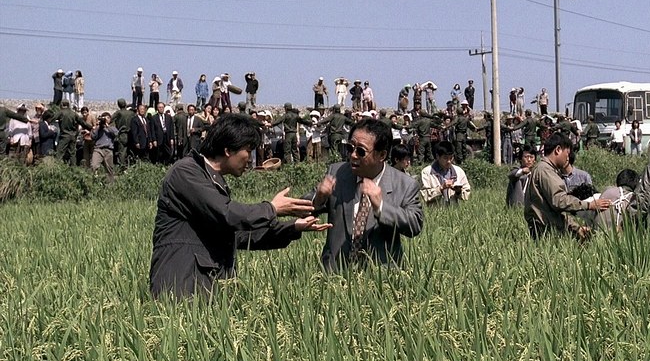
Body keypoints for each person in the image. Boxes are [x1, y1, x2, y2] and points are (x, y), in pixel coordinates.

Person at [149, 113, 328, 299]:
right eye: (248, 150)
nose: (250, 158)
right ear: (228, 150)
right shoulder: (186, 172)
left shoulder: (212, 180)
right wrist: (272, 209)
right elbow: (227, 214)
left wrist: (292, 227)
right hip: (179, 288)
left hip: (203, 288)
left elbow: (238, 235)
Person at [309, 118, 423, 271]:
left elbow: (415, 224)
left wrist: (381, 207)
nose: (353, 155)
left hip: (381, 278)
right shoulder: (337, 173)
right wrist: (319, 198)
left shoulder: (405, 184)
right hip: (334, 274)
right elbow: (302, 207)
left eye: (361, 151)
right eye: (350, 148)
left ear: (382, 155)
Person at [524, 132, 611, 240]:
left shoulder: (544, 169)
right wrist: (589, 205)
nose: (567, 158)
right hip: (546, 234)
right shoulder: (545, 171)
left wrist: (576, 228)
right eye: (567, 153)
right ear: (558, 150)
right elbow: (560, 201)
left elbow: (554, 211)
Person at [419, 140, 471, 205]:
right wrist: (441, 188)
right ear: (437, 156)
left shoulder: (459, 171)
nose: (449, 161)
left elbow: (467, 193)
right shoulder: (427, 172)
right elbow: (425, 196)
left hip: (454, 209)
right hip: (436, 210)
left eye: (451, 158)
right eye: (445, 158)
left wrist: (458, 191)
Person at [53, 100, 91, 164]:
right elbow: (82, 123)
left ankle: (57, 167)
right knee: (72, 154)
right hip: (73, 136)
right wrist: (91, 128)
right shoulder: (73, 113)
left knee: (59, 152)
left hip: (64, 136)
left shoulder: (61, 112)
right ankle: (73, 167)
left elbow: (52, 118)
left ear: (62, 105)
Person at [90, 112, 118, 183]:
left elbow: (116, 134)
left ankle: (110, 184)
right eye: (104, 118)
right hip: (98, 149)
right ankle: (94, 182)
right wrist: (98, 127)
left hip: (108, 150)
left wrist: (107, 126)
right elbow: (93, 137)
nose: (106, 119)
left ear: (110, 119)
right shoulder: (98, 128)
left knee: (109, 169)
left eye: (107, 118)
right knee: (94, 166)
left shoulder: (112, 127)